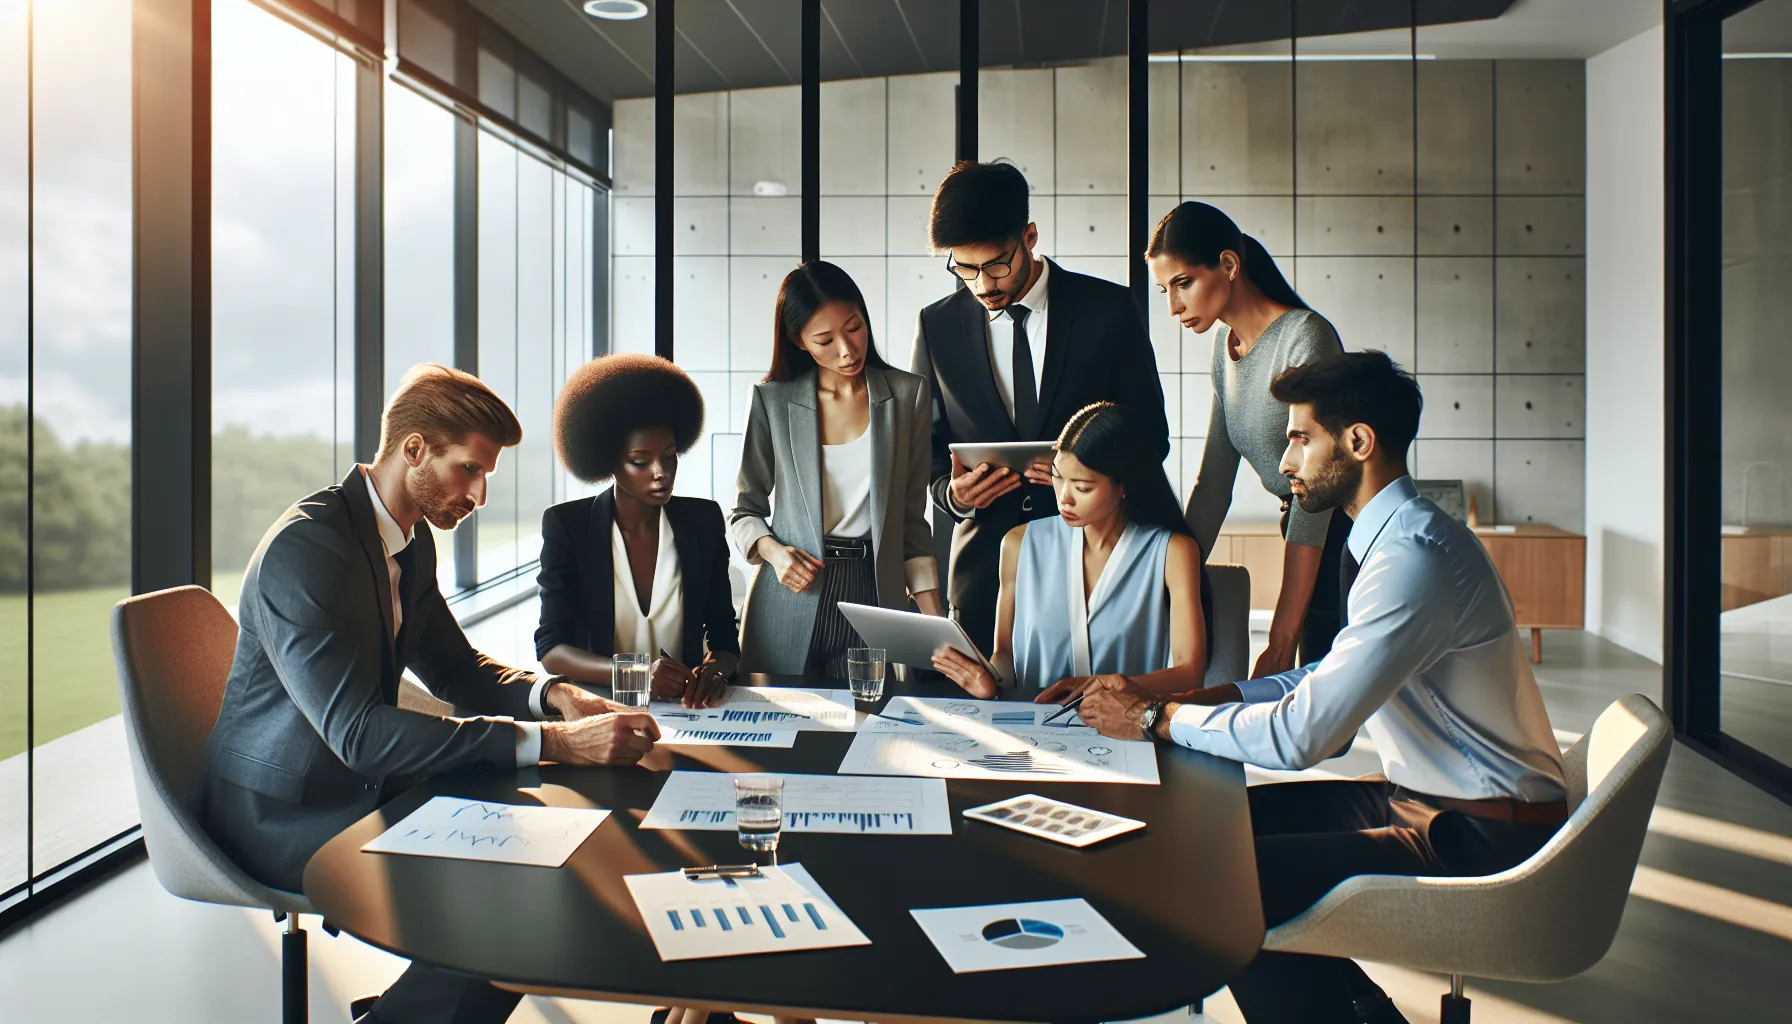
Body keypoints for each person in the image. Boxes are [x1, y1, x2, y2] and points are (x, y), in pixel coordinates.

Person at [1069, 352, 1568, 1024]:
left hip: (1480, 831)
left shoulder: (1414, 559)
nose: (1285, 463)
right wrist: (1208, 700)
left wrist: (1153, 717)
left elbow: (1304, 737)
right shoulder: (1397, 540)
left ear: (1358, 442)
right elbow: (1323, 675)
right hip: (1426, 797)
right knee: (1207, 826)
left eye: (1301, 439)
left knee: (1218, 876)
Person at [200, 364, 660, 1024]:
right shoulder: (310, 551)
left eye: (485, 476)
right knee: (514, 891)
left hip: (363, 780)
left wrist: (555, 696)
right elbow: (359, 735)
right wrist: (558, 743)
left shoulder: (408, 540)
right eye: (468, 470)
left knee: (549, 846)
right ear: (414, 449)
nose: (479, 495)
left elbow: (455, 669)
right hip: (283, 812)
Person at [911, 161, 1170, 653]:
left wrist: (1083, 470)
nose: (982, 284)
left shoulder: (1108, 310)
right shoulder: (936, 326)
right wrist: (955, 496)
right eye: (964, 268)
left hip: (1096, 570)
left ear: (1029, 237)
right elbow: (923, 453)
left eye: (996, 265)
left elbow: (1151, 436)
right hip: (982, 578)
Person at [1149, 201, 1349, 675]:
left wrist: (1280, 640)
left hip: (1342, 534)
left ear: (1229, 264)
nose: (1174, 306)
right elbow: (1213, 484)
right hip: (1302, 524)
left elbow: (1317, 493)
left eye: (1184, 283)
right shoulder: (1225, 349)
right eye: (1164, 290)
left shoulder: (1305, 338)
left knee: (1331, 694)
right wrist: (1172, 583)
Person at [732, 260, 942, 677]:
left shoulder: (907, 396)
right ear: (798, 341)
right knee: (783, 716)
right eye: (825, 340)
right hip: (790, 595)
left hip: (873, 594)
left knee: (874, 713)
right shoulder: (772, 401)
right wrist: (775, 554)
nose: (847, 350)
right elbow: (744, 511)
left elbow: (912, 521)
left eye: (854, 327)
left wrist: (937, 626)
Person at [930, 402, 1208, 697]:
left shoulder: (1172, 553)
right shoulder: (1018, 543)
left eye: (1082, 487)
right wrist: (990, 679)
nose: (1064, 498)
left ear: (1124, 486)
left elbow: (1189, 672)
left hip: (1126, 720)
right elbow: (1006, 656)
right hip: (1034, 719)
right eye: (1057, 477)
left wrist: (1115, 687)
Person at [535, 354, 740, 709]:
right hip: (603, 709)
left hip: (688, 713)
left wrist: (716, 672)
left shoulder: (703, 521)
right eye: (640, 462)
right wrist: (636, 674)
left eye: (670, 456)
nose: (661, 472)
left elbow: (724, 637)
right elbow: (551, 649)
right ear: (609, 462)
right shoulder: (568, 527)